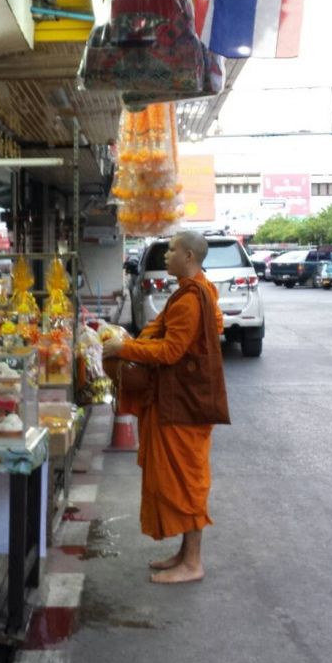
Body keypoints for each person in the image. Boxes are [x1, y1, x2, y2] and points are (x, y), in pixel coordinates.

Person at [102, 231, 228, 585]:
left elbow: (171, 351)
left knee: (187, 482)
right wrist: (128, 340)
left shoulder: (192, 298)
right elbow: (163, 333)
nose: (166, 255)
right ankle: (184, 555)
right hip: (179, 399)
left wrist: (122, 350)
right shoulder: (191, 292)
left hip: (184, 406)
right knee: (179, 480)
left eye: (171, 250)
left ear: (188, 256)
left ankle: (193, 563)